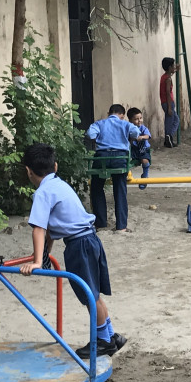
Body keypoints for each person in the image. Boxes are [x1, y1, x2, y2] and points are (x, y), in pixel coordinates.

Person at [19, 143, 126, 359]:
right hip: (91, 240)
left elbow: (39, 229)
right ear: (55, 166)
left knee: (89, 295)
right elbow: (50, 230)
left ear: (28, 171)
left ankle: (103, 341)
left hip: (79, 246)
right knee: (93, 293)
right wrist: (45, 254)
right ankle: (110, 335)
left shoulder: (42, 193)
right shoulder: (60, 185)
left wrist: (37, 261)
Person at [88, 104, 141, 232]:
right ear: (122, 115)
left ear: (109, 113)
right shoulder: (125, 124)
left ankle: (101, 224)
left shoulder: (99, 123)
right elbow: (136, 133)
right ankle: (121, 226)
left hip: (102, 158)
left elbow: (90, 134)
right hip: (120, 158)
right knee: (120, 189)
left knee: (96, 187)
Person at [126, 107, 152, 190]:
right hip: (133, 149)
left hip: (143, 149)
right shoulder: (128, 128)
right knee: (127, 161)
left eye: (140, 118)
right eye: (136, 119)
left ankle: (145, 176)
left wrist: (142, 137)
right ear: (130, 120)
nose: (139, 120)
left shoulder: (143, 128)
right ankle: (127, 174)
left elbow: (148, 136)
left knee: (145, 161)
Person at [159, 57, 179, 147]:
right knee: (174, 120)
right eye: (173, 66)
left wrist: (176, 70)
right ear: (169, 67)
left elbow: (170, 73)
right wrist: (170, 107)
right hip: (168, 102)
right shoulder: (168, 79)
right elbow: (168, 92)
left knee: (170, 120)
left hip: (164, 102)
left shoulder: (164, 76)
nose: (174, 67)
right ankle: (169, 136)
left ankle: (168, 139)